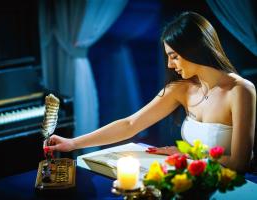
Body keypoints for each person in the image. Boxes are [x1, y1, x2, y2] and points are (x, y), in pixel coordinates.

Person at [45, 11, 256, 172]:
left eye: (174, 56)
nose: (171, 65)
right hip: (187, 176)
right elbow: (130, 124)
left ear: (194, 49)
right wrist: (72, 143)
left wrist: (189, 156)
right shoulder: (181, 89)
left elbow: (239, 162)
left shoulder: (241, 91)